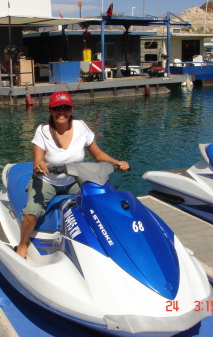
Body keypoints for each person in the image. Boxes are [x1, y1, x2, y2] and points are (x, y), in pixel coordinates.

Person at [16, 91, 130, 258]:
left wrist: (117, 162)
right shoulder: (43, 131)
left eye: (65, 108)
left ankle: (112, 236)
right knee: (31, 213)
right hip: (47, 181)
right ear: (50, 110)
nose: (61, 112)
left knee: (103, 197)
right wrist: (39, 167)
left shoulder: (81, 126)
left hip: (74, 180)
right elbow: (38, 162)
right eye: (57, 108)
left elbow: (98, 155)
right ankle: (22, 243)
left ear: (71, 110)